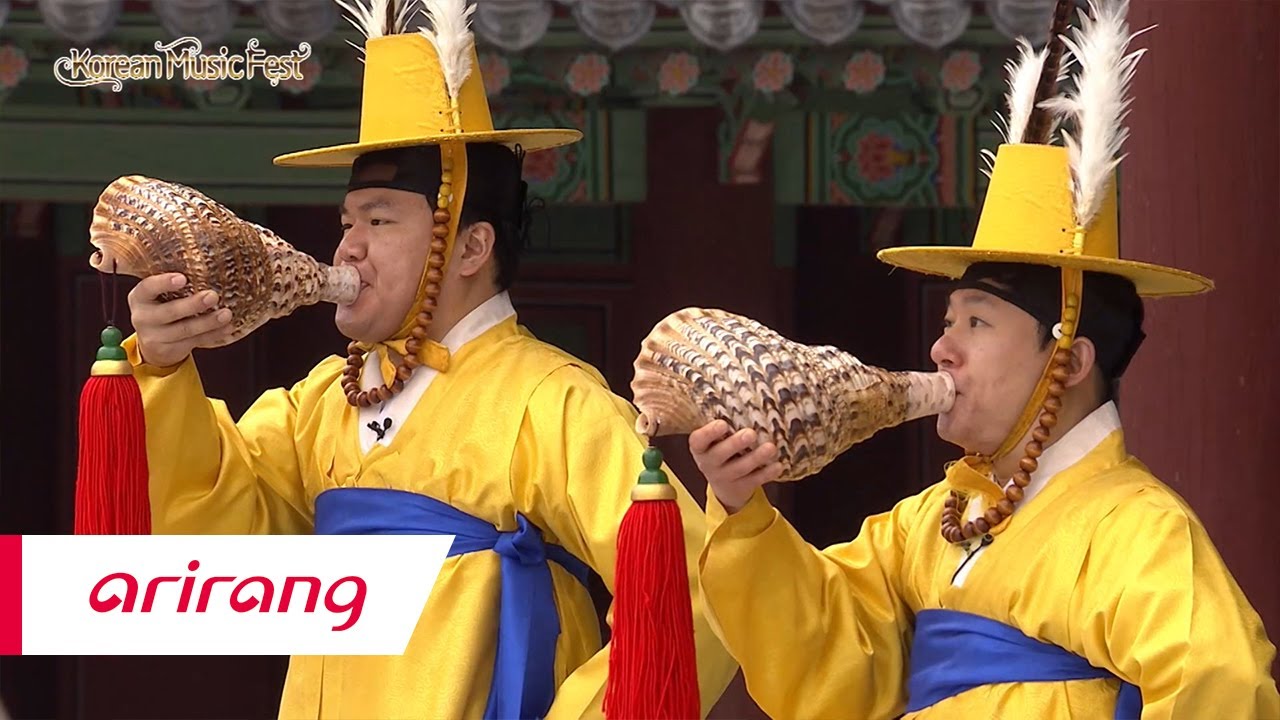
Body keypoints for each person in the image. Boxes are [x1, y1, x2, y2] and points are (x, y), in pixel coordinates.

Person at [115, 3, 737, 718]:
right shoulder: (323, 401)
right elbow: (210, 549)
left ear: (470, 247)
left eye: (379, 220)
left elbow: (692, 598)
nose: (348, 247)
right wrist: (163, 366)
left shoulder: (554, 402)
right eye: (348, 221)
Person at [687, 2, 1280, 718]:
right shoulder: (930, 521)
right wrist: (741, 504)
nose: (942, 347)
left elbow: (1220, 685)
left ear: (1070, 359)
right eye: (947, 320)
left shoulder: (1138, 529)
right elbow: (829, 658)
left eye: (977, 322)